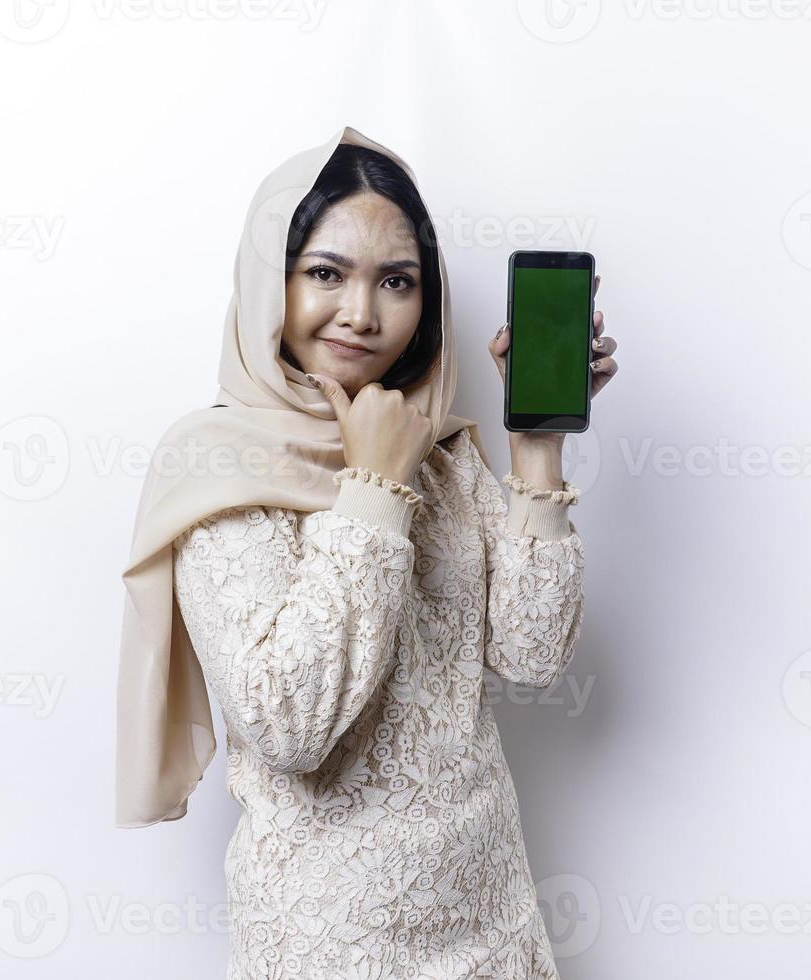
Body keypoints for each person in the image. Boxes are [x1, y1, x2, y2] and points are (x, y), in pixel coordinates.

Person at [115, 125, 619, 979]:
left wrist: (533, 450)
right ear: (268, 281)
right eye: (325, 273)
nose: (361, 313)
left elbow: (532, 656)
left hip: (494, 928)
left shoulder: (445, 453)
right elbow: (289, 725)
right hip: (329, 946)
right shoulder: (216, 462)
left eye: (396, 281)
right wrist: (374, 485)